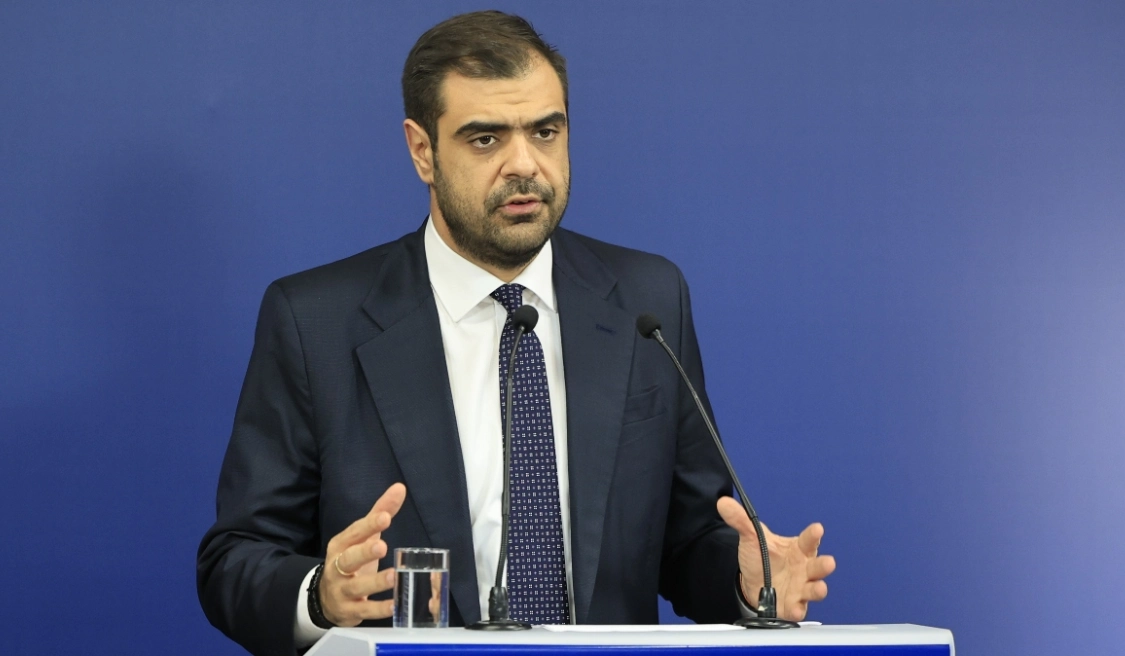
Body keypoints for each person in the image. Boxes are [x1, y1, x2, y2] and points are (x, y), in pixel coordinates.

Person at [196, 10, 835, 656]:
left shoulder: (648, 302)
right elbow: (234, 559)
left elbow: (689, 539)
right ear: (422, 150)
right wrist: (320, 594)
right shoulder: (316, 321)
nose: (524, 164)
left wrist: (746, 581)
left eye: (545, 132)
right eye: (485, 139)